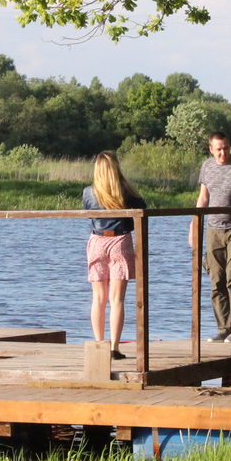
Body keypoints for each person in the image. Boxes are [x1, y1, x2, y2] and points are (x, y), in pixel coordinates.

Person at [189, 131, 231, 342]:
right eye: (218, 149)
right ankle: (224, 328)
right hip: (213, 229)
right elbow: (203, 197)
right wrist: (193, 225)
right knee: (215, 280)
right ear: (211, 149)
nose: (223, 153)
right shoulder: (207, 167)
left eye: (226, 148)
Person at [83, 151, 148, 357]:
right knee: (117, 299)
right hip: (120, 240)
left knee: (98, 298)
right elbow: (142, 209)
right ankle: (114, 347)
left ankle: (99, 343)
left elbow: (88, 215)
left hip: (97, 240)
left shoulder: (88, 192)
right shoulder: (126, 192)